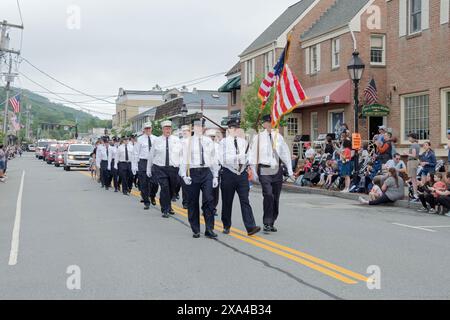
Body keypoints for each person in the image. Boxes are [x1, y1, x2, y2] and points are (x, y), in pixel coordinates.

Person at [249, 114, 295, 232]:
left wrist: (290, 170)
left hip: (276, 169)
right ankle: (267, 222)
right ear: (264, 124)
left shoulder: (278, 137)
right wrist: (254, 171)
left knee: (276, 197)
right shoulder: (258, 138)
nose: (270, 125)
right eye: (268, 123)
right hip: (264, 169)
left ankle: (272, 221)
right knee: (268, 194)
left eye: (272, 122)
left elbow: (285, 153)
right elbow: (253, 155)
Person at [218, 118, 261, 236]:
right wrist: (239, 156)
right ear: (229, 129)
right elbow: (223, 160)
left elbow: (250, 158)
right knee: (227, 201)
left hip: (242, 174)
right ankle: (226, 225)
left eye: (237, 128)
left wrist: (254, 171)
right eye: (233, 128)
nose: (235, 130)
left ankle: (250, 227)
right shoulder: (223, 143)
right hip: (228, 173)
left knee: (245, 200)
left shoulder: (244, 142)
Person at [179, 120, 218, 239]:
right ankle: (195, 229)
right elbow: (182, 159)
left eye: (201, 126)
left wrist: (215, 175)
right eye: (196, 126)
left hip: (206, 172)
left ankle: (209, 229)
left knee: (209, 200)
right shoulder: (187, 141)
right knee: (193, 202)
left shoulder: (208, 141)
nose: (199, 128)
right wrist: (184, 175)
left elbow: (213, 157)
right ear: (192, 128)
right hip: (193, 172)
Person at [147, 120, 181, 218]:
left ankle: (168, 205)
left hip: (173, 168)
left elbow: (181, 154)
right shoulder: (157, 140)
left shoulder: (176, 140)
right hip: (160, 168)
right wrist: (148, 168)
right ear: (162, 129)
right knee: (165, 187)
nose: (168, 130)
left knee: (171, 189)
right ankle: (165, 209)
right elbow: (151, 156)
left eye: (169, 128)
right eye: (166, 128)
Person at [133, 122, 159, 210]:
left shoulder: (156, 138)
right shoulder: (140, 139)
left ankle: (152, 196)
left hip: (153, 162)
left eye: (149, 128)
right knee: (144, 183)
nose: (148, 130)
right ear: (144, 129)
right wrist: (135, 165)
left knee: (155, 182)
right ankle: (146, 201)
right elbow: (136, 153)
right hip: (143, 162)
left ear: (151, 129)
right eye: (146, 128)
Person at [404, 133, 420, 199]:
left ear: (412, 138)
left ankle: (415, 194)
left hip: (412, 162)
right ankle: (415, 193)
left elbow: (414, 155)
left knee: (413, 179)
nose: (408, 139)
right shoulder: (417, 144)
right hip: (414, 162)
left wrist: (406, 153)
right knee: (413, 178)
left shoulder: (413, 145)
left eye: (409, 137)